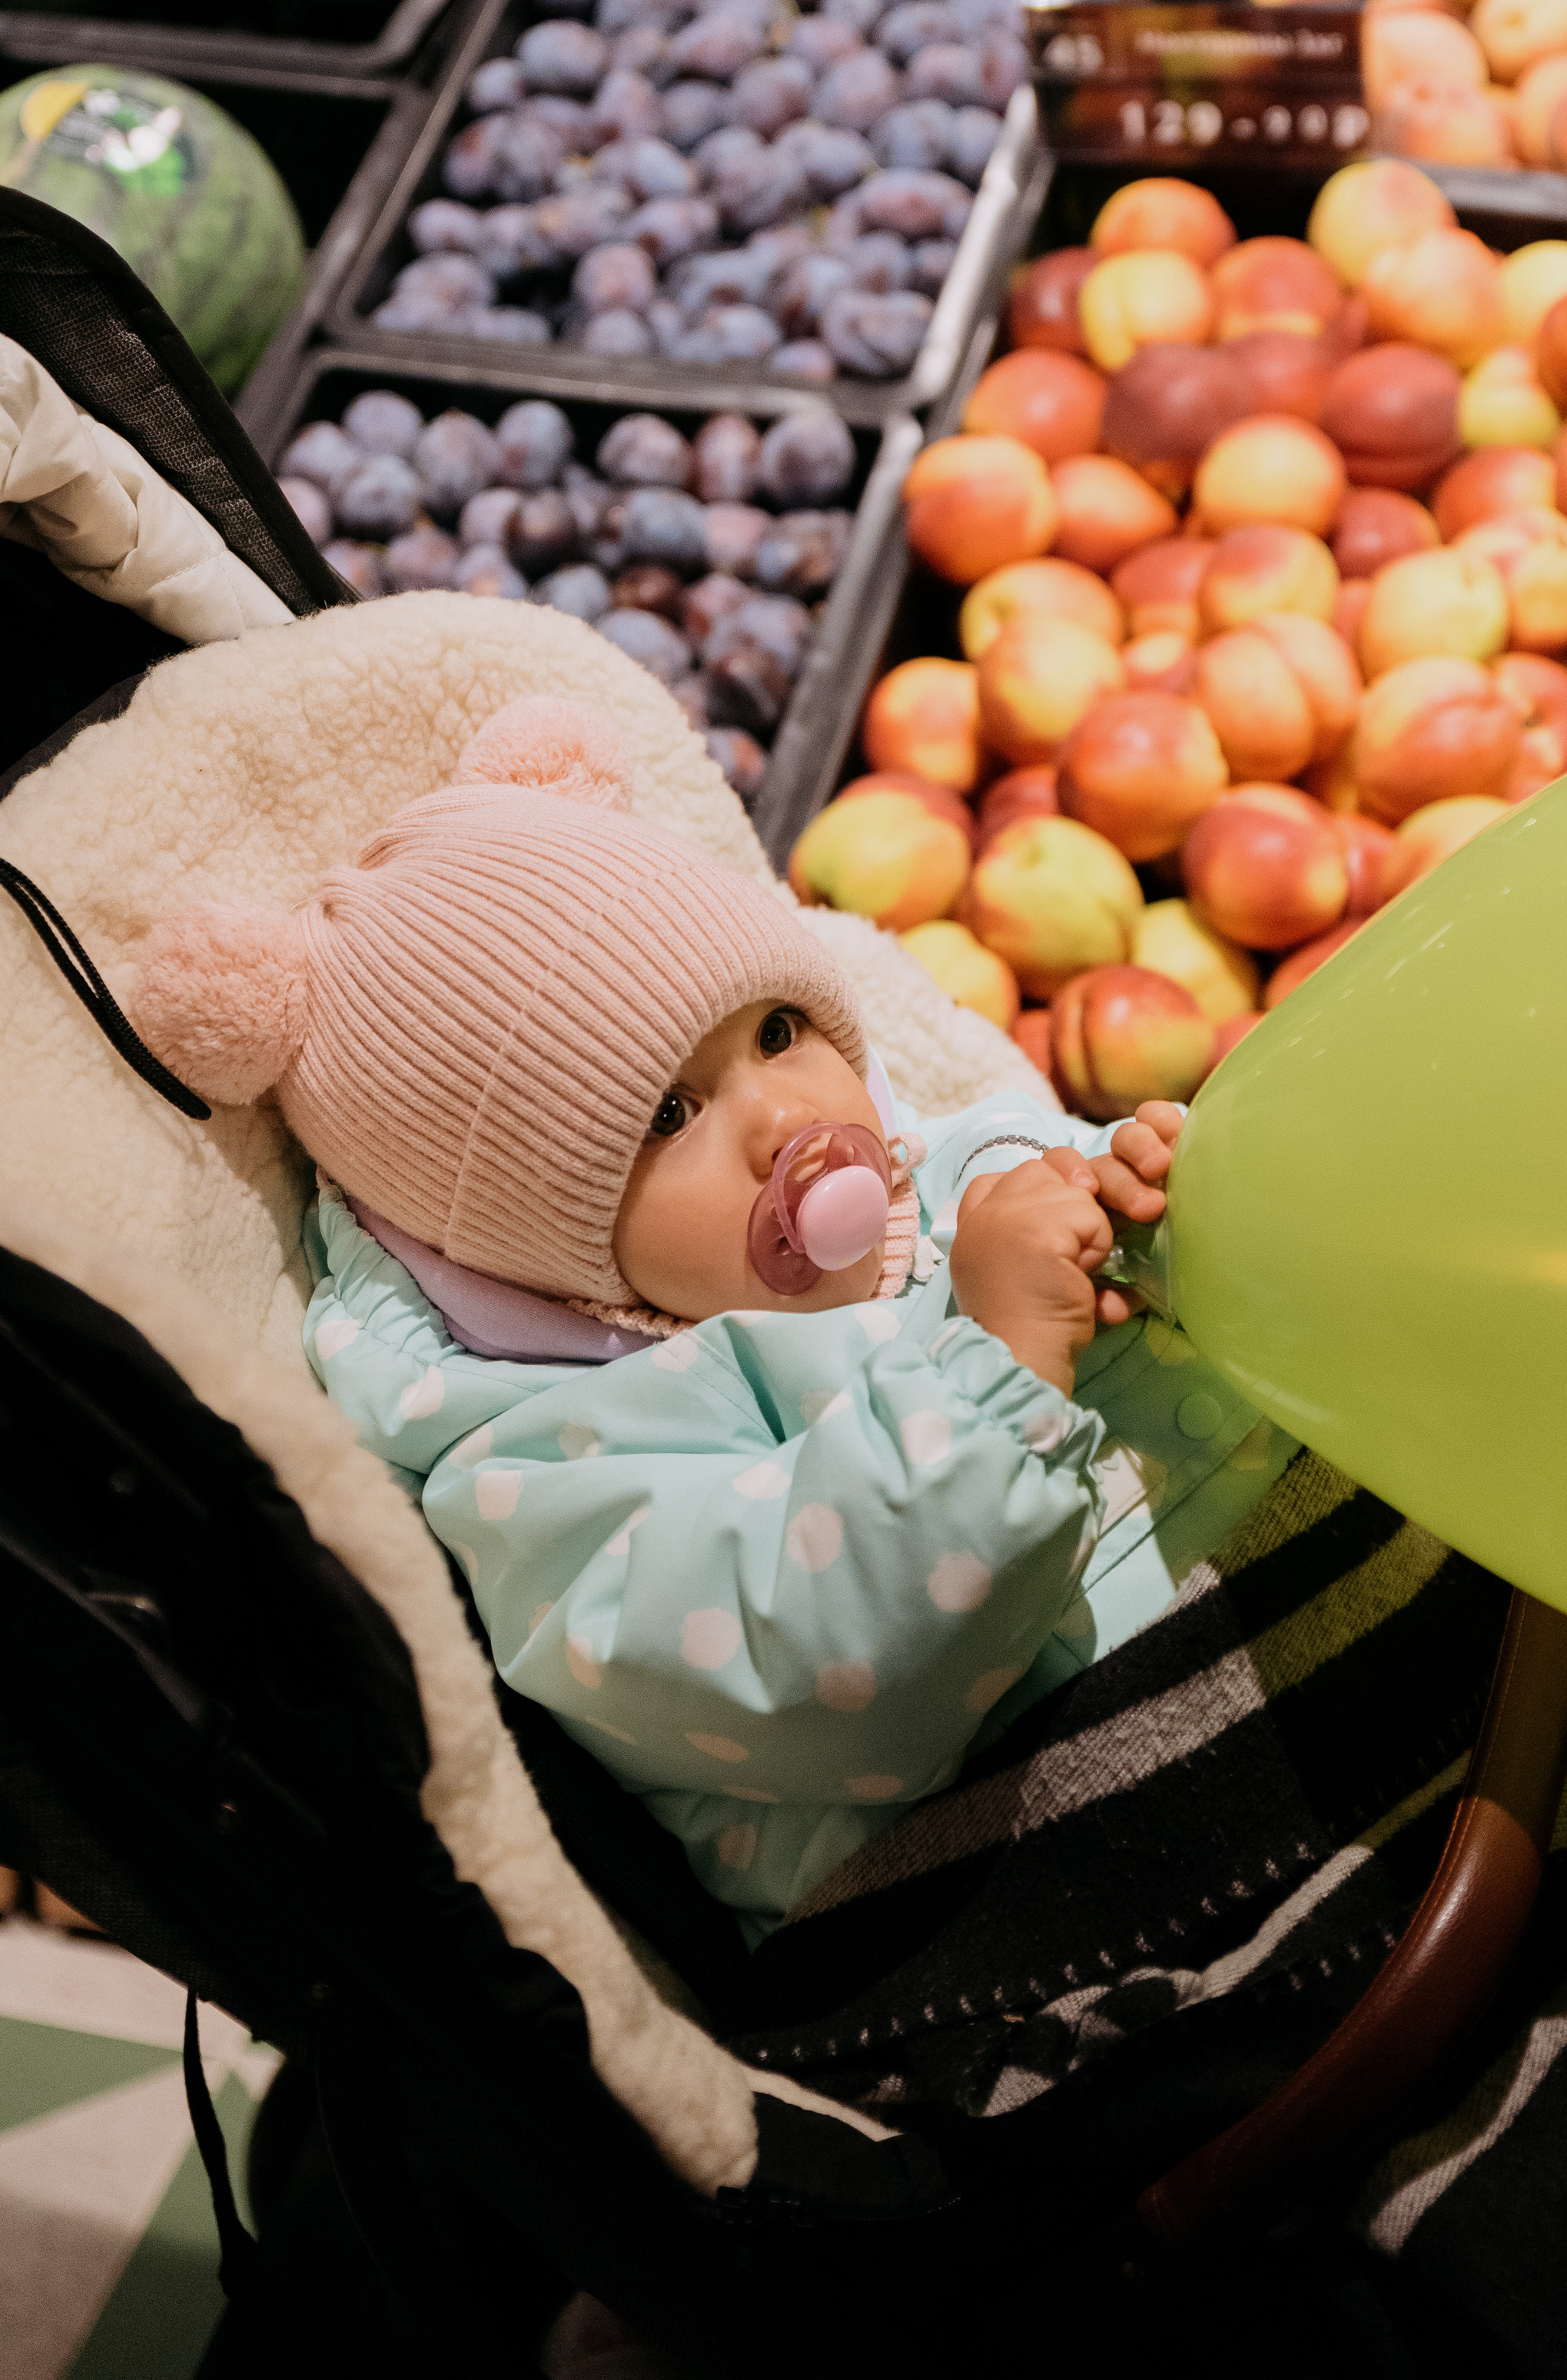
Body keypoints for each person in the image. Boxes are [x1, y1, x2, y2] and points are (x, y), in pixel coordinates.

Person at [131, 696, 1280, 1934]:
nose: (786, 1117)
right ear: (536, 1249)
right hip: (1057, 1873)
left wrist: (1162, 1203)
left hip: (1287, 1596)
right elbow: (829, 1675)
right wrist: (995, 1369)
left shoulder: (952, 1171)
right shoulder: (556, 1467)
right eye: (668, 1117)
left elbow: (1158, 1263)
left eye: (781, 1031)